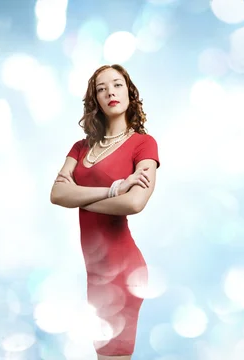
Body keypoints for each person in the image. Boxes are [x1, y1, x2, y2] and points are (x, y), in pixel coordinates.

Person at [50, 64, 160, 360]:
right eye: (101, 88)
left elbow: (134, 203)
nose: (110, 91)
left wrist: (80, 198)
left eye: (117, 84)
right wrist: (114, 189)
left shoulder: (143, 144)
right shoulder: (80, 148)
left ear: (129, 92)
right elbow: (57, 194)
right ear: (95, 100)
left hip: (123, 270)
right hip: (96, 271)